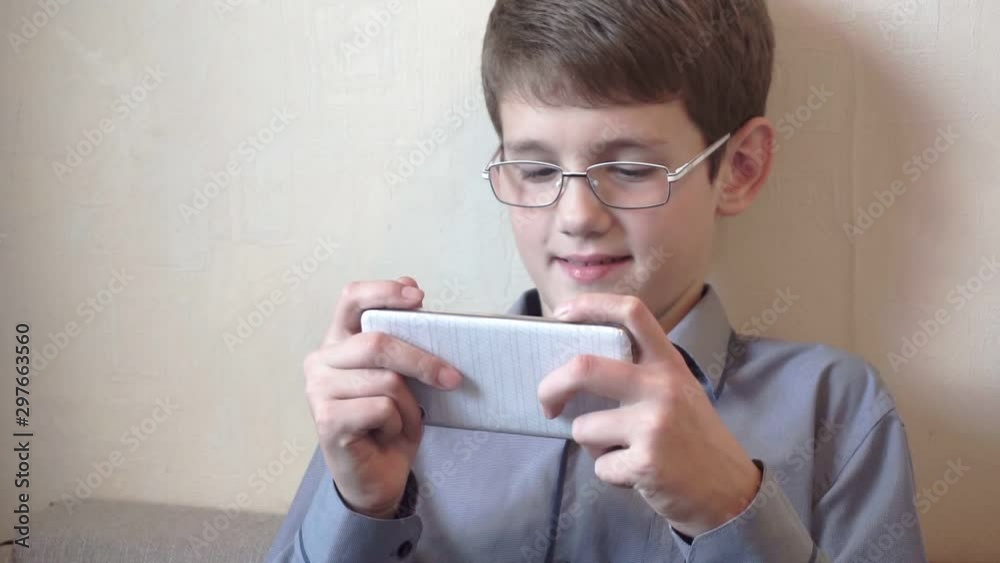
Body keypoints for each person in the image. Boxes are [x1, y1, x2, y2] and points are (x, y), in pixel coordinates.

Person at [265, 1, 928, 561]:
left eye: (633, 169)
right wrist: (360, 509)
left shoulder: (837, 410)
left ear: (740, 168)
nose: (577, 216)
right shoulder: (400, 398)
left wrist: (731, 511)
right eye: (535, 169)